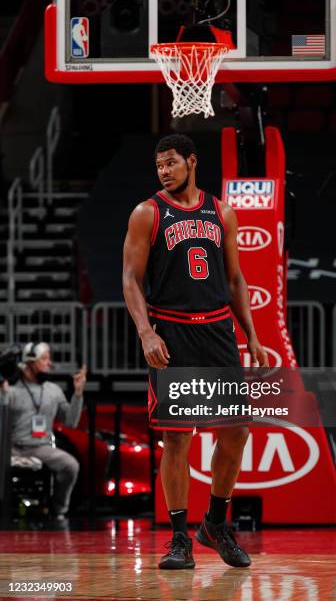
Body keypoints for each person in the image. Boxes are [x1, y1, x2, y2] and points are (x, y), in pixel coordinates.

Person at [123, 134, 268, 569]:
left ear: (191, 161)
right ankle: (180, 538)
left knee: (237, 431)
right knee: (177, 437)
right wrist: (147, 333)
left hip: (218, 332)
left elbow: (237, 280)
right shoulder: (147, 213)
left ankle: (215, 525)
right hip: (174, 333)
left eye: (170, 163)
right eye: (158, 165)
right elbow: (130, 278)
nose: (164, 171)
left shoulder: (222, 211)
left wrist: (253, 336)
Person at [0, 342, 87, 520]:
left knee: (71, 465)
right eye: (45, 359)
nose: (49, 363)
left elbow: (71, 421)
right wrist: (3, 392)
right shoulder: (11, 389)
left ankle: (59, 509)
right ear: (30, 362)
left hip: (41, 447)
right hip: (12, 446)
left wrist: (78, 393)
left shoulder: (53, 391)